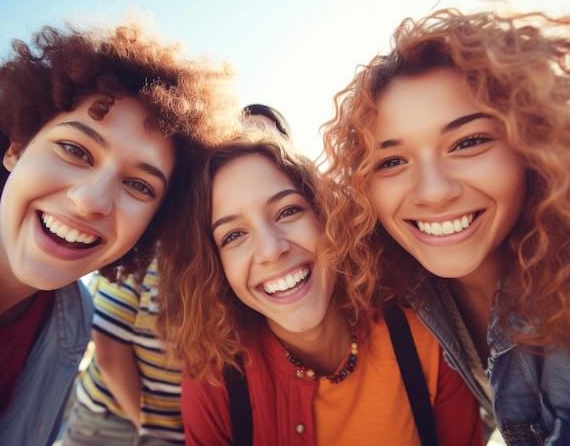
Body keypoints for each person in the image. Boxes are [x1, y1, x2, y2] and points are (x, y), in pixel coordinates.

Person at [0, 16, 240, 446]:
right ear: (17, 148)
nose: (92, 201)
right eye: (75, 150)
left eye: (140, 185)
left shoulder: (75, 316)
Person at [321, 6, 570, 445]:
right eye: (392, 161)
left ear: (533, 142)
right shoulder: (405, 286)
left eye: (468, 142)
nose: (433, 192)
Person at [156, 131, 483, 445]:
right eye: (233, 235)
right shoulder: (215, 379)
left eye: (287, 211)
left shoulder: (426, 335)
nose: (272, 250)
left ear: (327, 217)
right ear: (215, 268)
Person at [62, 261, 184, 446]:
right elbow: (110, 353)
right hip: (109, 421)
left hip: (176, 429)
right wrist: (149, 431)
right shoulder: (141, 252)